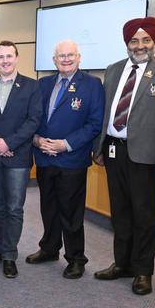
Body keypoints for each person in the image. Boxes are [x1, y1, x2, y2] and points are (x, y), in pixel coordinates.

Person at [93, 17, 155, 295]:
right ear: (127, 43)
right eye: (134, 41)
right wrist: (99, 147)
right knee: (120, 213)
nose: (139, 46)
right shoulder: (113, 70)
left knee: (144, 215)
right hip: (114, 151)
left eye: (145, 40)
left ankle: (143, 271)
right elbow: (105, 112)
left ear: (154, 42)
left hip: (147, 156)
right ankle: (122, 264)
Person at [28, 40, 104, 279]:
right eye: (61, 56)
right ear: (54, 60)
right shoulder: (42, 84)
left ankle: (75, 258)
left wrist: (65, 144)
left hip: (71, 159)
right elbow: (32, 116)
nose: (66, 59)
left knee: (71, 212)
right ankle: (49, 248)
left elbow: (94, 124)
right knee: (48, 208)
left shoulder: (92, 85)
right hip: (44, 156)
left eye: (71, 55)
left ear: (79, 57)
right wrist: (37, 140)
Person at [0, 40, 42, 278]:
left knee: (14, 208)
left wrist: (9, 143)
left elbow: (34, 120)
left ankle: (10, 255)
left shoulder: (32, 86)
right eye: (0, 57)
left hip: (18, 156)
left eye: (9, 56)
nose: (5, 60)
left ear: (16, 57)